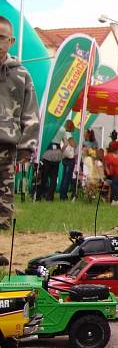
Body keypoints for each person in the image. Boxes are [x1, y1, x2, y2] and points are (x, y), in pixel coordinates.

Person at [0, 16, 40, 230]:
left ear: (11, 41)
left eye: (2, 38)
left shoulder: (21, 75)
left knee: (3, 204)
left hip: (6, 150)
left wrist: (27, 147)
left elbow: (30, 112)